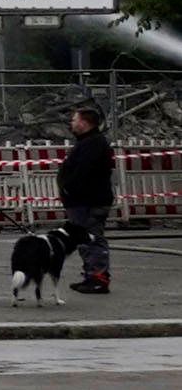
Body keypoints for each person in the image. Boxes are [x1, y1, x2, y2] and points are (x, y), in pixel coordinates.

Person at [61, 102, 119, 295]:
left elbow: (83, 172)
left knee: (91, 239)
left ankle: (97, 279)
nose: (71, 123)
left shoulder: (92, 144)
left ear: (85, 123)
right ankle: (91, 276)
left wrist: (70, 189)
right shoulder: (88, 142)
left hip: (89, 202)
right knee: (86, 240)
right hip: (84, 201)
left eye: (75, 119)